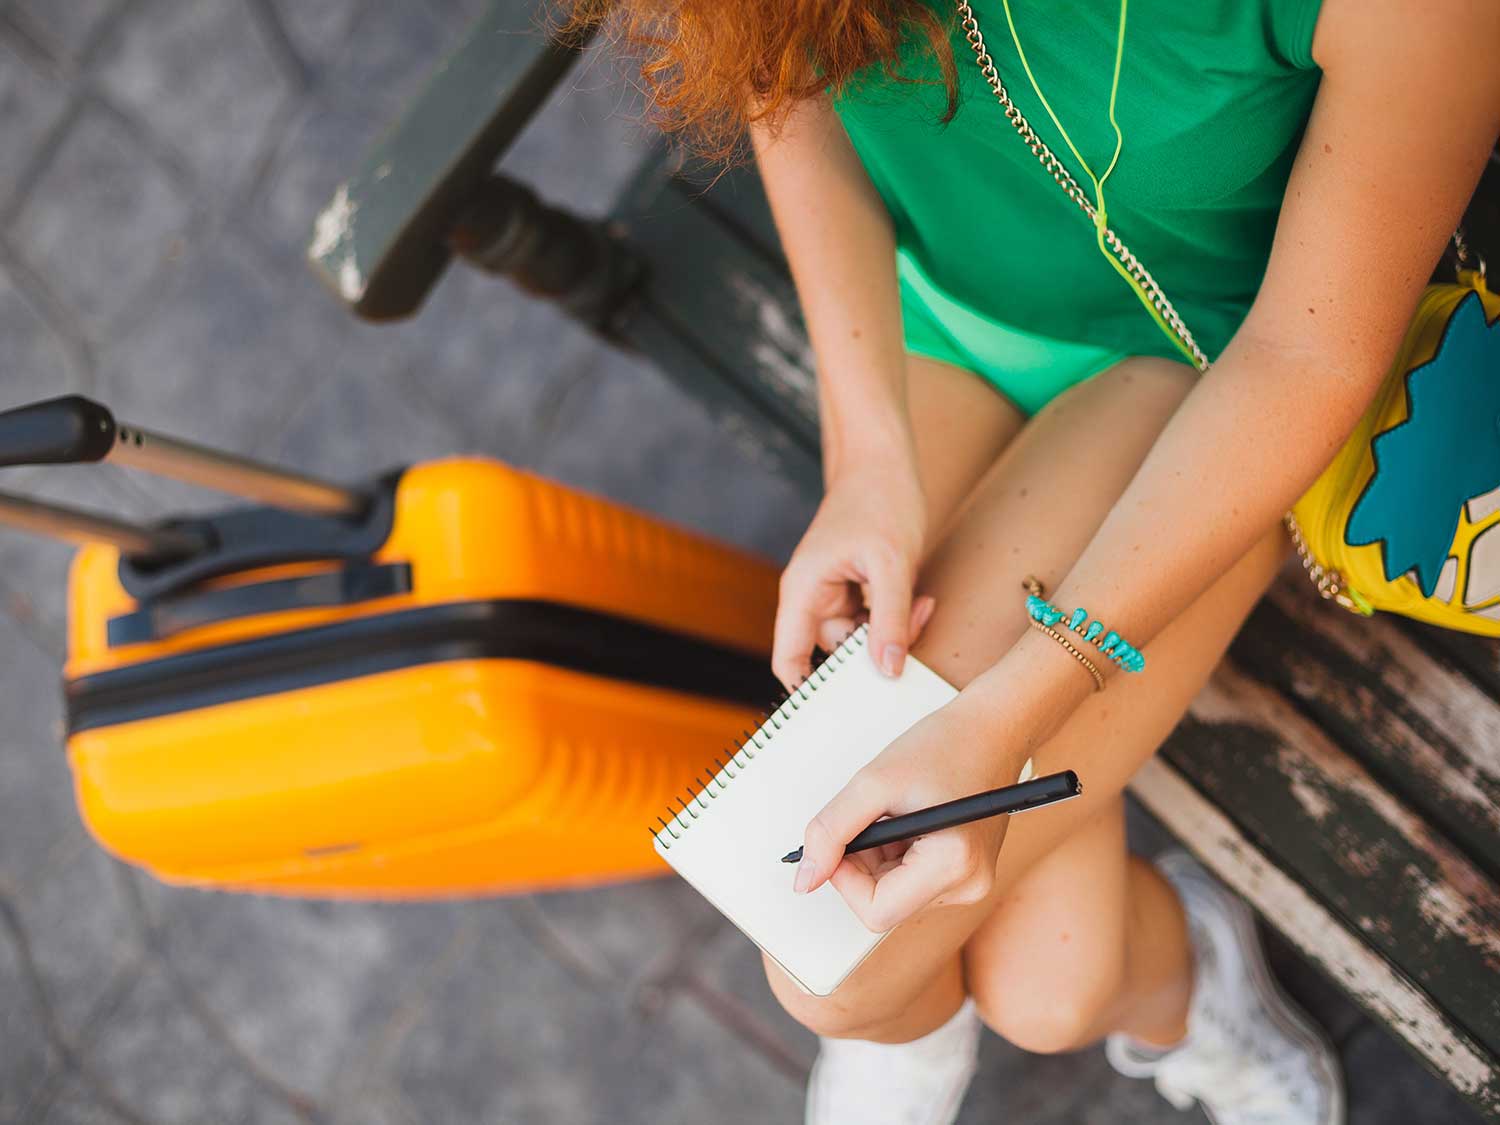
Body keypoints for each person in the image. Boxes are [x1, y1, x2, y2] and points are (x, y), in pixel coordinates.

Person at [567, 1, 1500, 1121]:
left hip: (1203, 378)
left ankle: (1160, 984)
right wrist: (866, 452)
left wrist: (1014, 709)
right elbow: (780, 72)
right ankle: (1179, 980)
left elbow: (1308, 356)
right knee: (1041, 991)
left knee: (846, 971)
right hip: (939, 324)